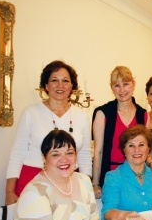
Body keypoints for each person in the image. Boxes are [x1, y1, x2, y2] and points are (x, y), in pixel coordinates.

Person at [5, 60, 92, 205]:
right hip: (33, 179)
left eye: (65, 81)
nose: (60, 86)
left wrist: (86, 187)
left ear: (72, 86)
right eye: (54, 80)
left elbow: (85, 155)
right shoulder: (30, 113)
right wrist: (9, 191)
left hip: (68, 180)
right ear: (46, 86)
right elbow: (17, 153)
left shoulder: (81, 116)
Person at [92, 66, 152, 199]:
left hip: (136, 178)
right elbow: (98, 152)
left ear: (133, 84)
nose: (122, 90)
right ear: (111, 88)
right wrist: (96, 184)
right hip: (111, 175)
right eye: (117, 85)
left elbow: (146, 149)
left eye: (126, 84)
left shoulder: (143, 115)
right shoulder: (103, 114)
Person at [102, 125, 152, 220]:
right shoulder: (113, 177)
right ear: (124, 150)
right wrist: (125, 216)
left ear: (148, 150)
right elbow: (108, 212)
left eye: (141, 145)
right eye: (131, 145)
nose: (136, 150)